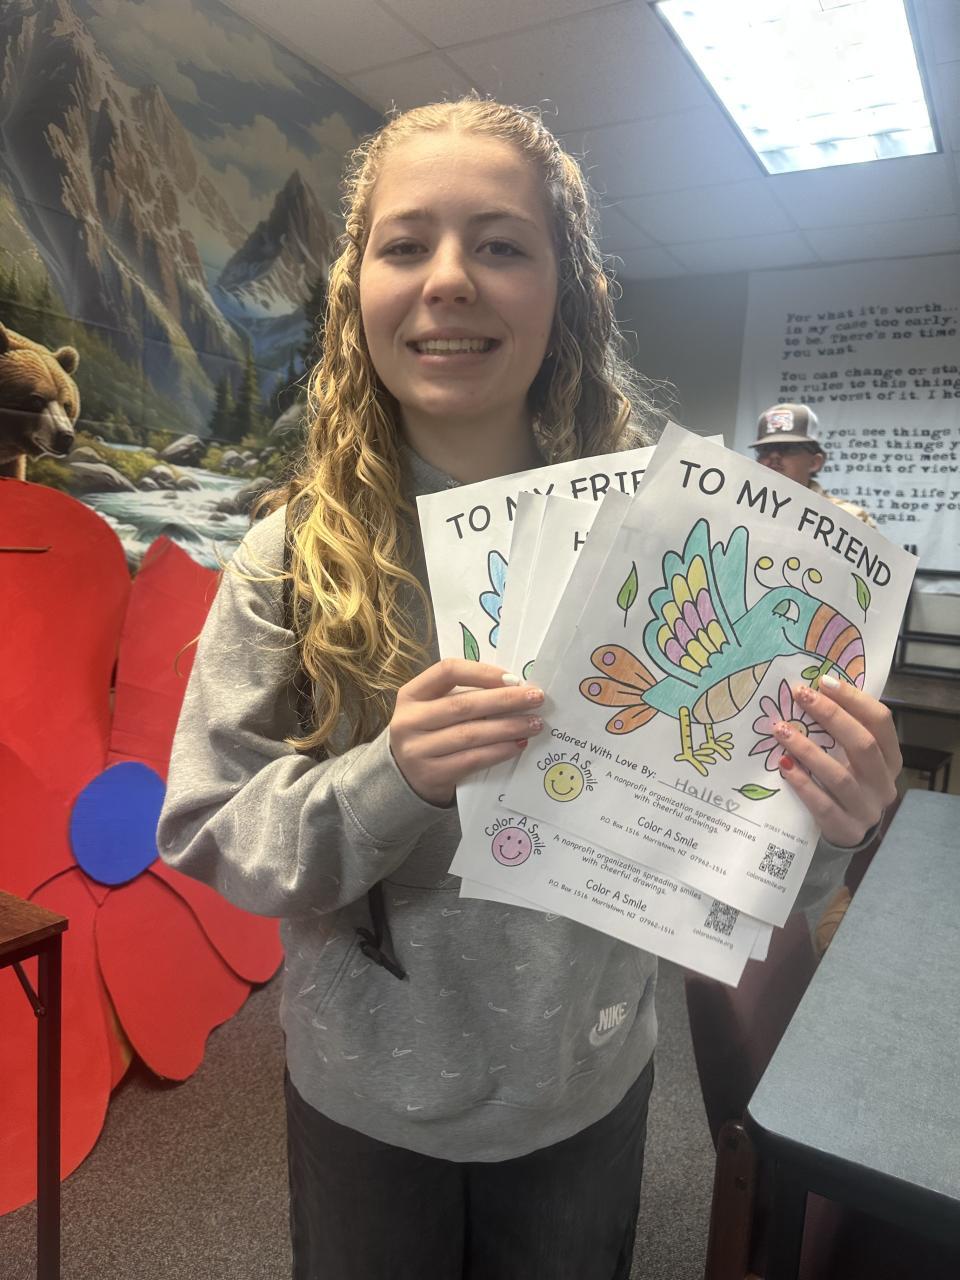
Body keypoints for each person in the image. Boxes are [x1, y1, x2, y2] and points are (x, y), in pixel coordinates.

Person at [157, 99, 901, 1280]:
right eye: (407, 243)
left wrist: (825, 821)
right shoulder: (292, 557)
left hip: (584, 1087)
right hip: (365, 1093)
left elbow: (730, 866)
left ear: (570, 294)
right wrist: (392, 776)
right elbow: (210, 828)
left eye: (501, 243)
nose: (450, 277)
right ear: (356, 288)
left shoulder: (677, 549)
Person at [749, 402, 877, 526]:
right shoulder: (741, 508)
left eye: (786, 448)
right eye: (764, 450)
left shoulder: (851, 521)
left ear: (814, 463)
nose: (773, 456)